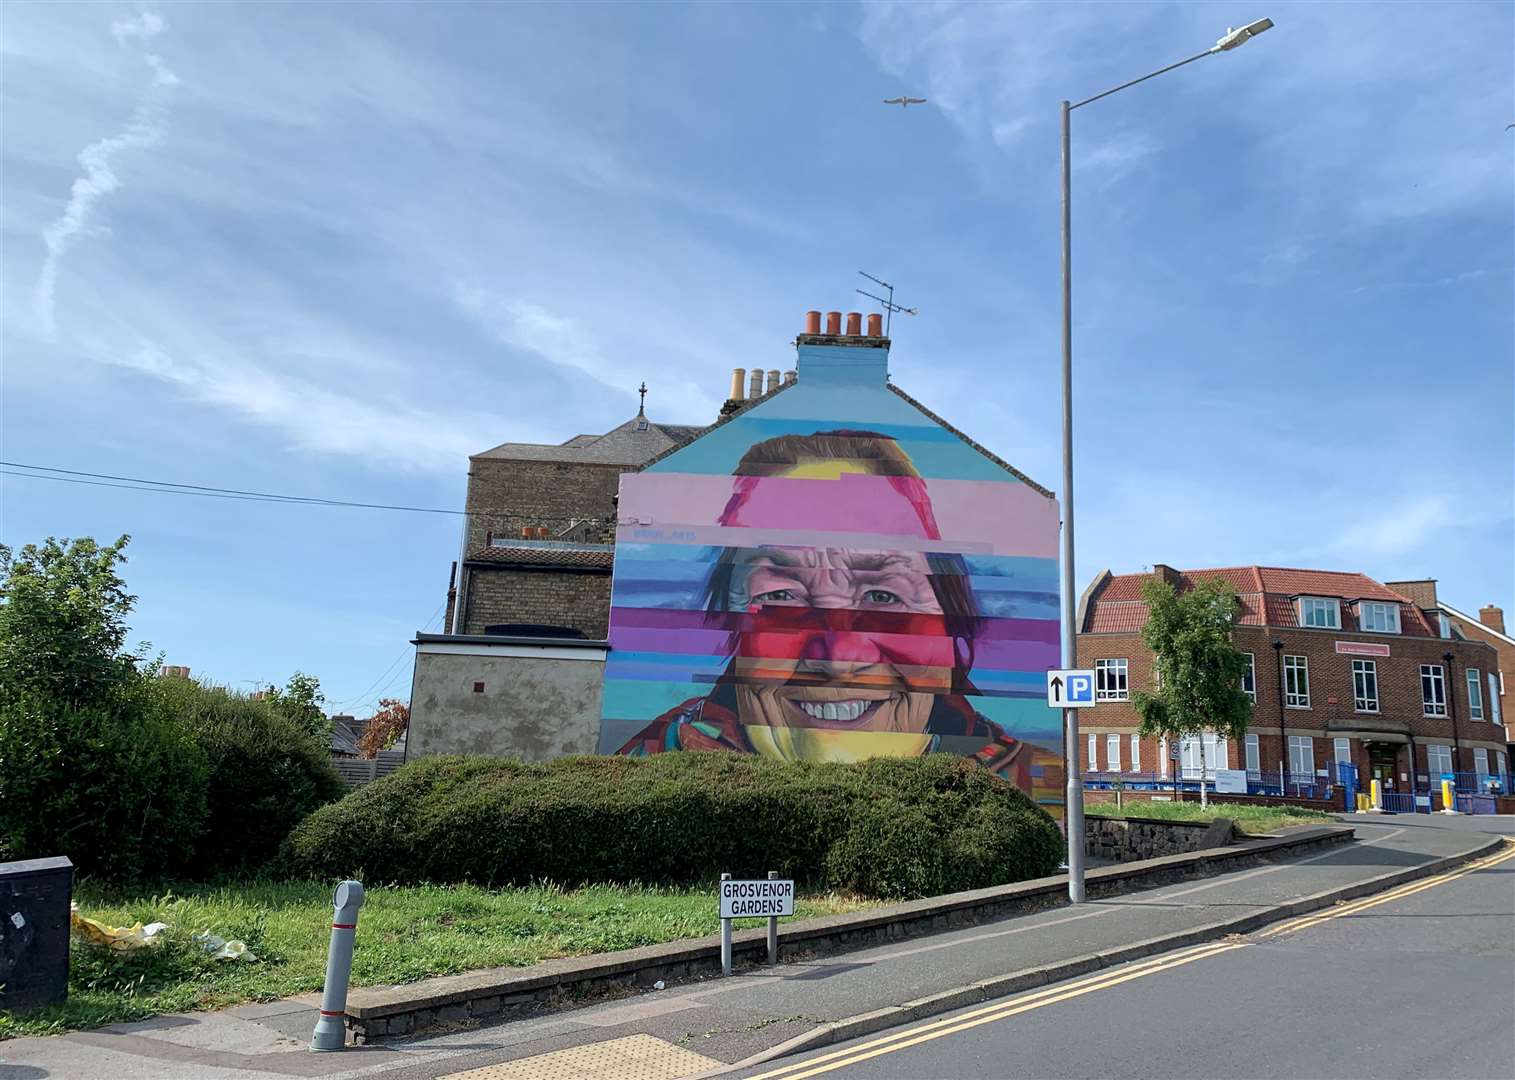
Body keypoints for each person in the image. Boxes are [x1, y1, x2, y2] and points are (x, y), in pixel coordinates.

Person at [616, 429, 1061, 804]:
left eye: (884, 597)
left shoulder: (1041, 790)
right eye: (783, 596)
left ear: (949, 624)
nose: (839, 657)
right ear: (735, 627)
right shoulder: (644, 774)